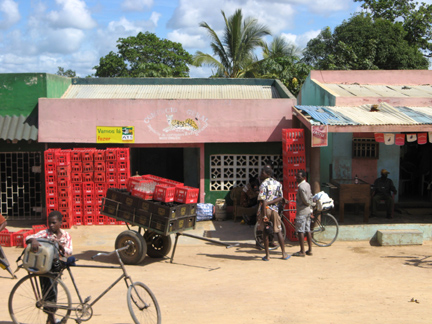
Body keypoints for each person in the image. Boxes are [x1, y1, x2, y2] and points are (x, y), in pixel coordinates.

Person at [26, 211, 73, 324]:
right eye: (49, 223)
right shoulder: (44, 233)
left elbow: (70, 251)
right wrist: (34, 240)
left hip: (58, 267)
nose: (51, 225)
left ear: (60, 223)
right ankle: (51, 319)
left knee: (53, 291)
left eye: (54, 223)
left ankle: (50, 319)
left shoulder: (66, 235)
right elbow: (28, 237)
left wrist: (62, 248)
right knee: (48, 292)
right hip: (45, 267)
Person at [257, 165, 290, 261]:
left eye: (262, 173)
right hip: (275, 210)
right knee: (278, 231)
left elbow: (263, 201)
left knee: (265, 232)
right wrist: (272, 203)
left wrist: (264, 215)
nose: (260, 175)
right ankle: (284, 253)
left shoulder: (263, 185)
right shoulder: (278, 184)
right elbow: (281, 198)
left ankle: (267, 255)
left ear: (267, 174)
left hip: (265, 210)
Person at [293, 170, 313, 257]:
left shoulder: (301, 187)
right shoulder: (307, 184)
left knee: (300, 231)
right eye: (296, 176)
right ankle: (310, 250)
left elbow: (305, 200)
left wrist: (308, 203)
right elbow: (310, 196)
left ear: (303, 177)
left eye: (298, 176)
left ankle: (302, 251)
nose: (296, 178)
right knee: (308, 230)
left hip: (302, 211)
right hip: (308, 211)